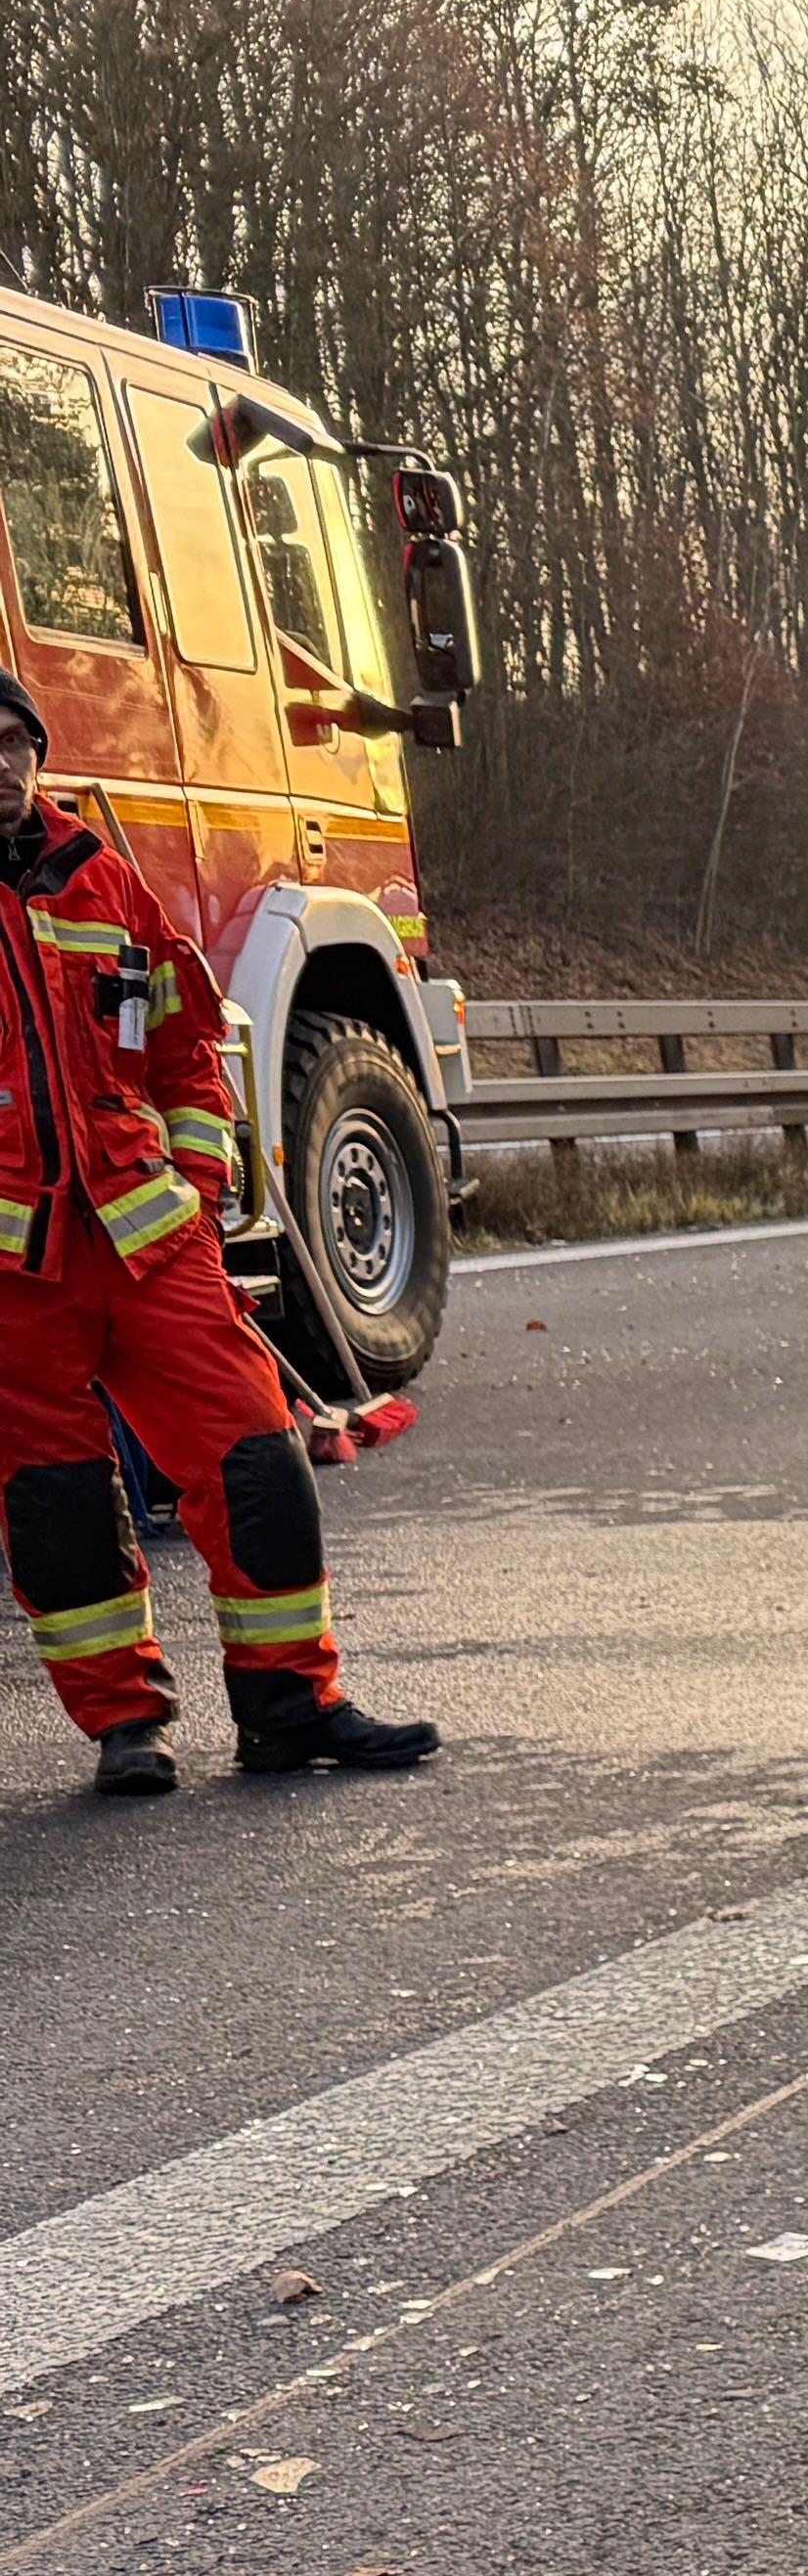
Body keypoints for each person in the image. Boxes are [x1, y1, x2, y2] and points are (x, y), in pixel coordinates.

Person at [0, 672, 433, 1799]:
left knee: (258, 1461)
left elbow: (188, 1047)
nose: (2, 764)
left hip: (153, 1249)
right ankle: (125, 1726)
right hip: (14, 1277)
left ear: (40, 759)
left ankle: (293, 1705)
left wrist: (193, 1181)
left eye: (16, 743)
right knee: (58, 1513)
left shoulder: (102, 882)